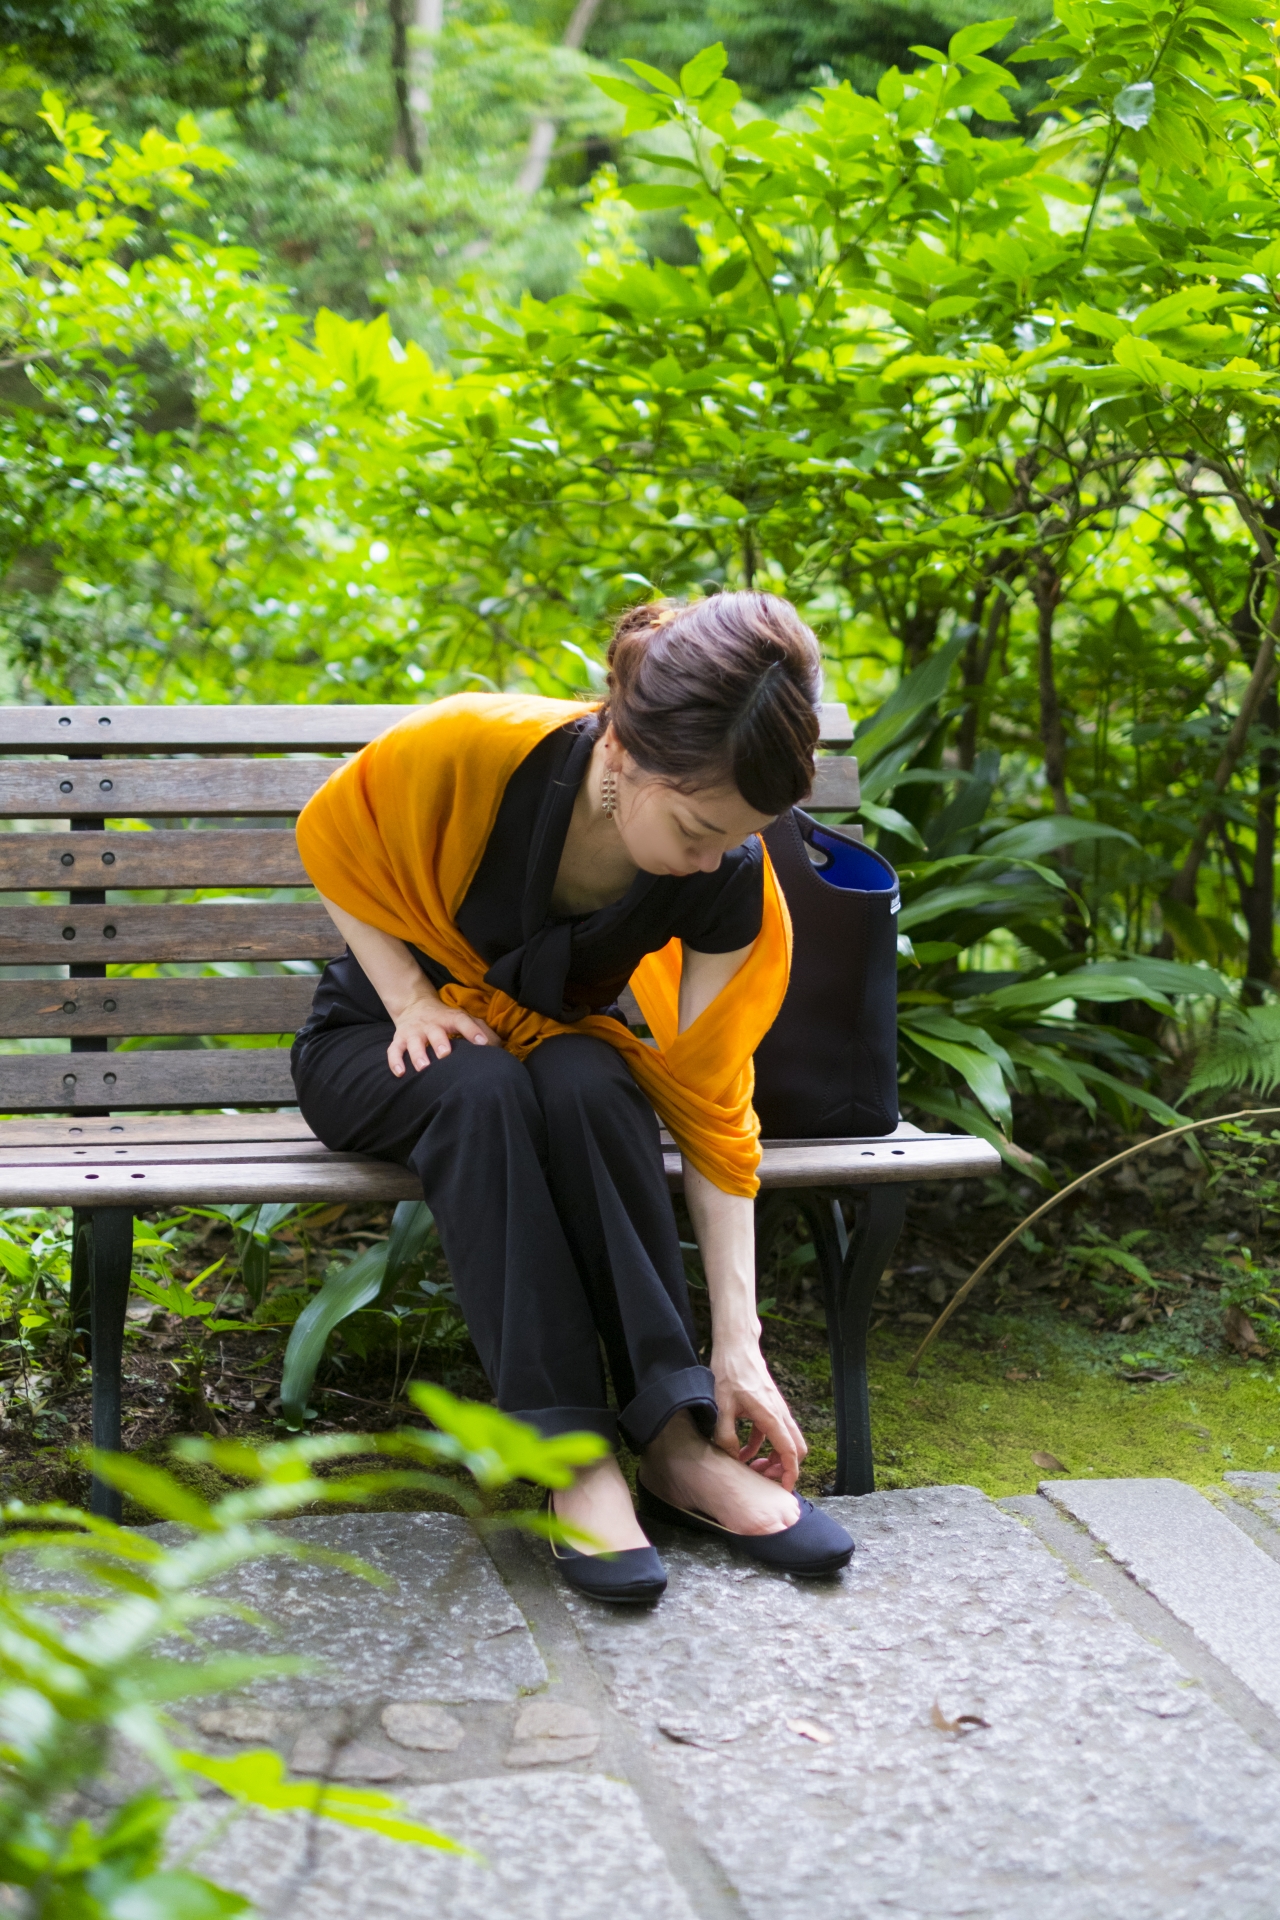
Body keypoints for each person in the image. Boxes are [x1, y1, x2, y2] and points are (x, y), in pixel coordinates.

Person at [291, 591, 854, 1603]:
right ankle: (571, 1458)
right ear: (626, 758)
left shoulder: (724, 875)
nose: (708, 857)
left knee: (596, 1078)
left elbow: (713, 1107)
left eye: (737, 835)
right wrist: (410, 996)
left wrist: (740, 1345)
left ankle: (678, 1440)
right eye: (694, 826)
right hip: (379, 1044)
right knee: (478, 1088)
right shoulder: (478, 747)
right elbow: (329, 826)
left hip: (541, 1043)